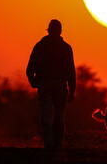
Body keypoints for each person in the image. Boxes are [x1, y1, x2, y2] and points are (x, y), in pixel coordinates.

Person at [26, 19, 76, 149]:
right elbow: (71, 72)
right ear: (60, 31)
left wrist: (34, 82)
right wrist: (72, 91)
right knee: (59, 116)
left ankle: (49, 144)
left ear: (48, 30)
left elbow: (30, 69)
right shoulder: (66, 48)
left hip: (45, 85)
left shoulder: (40, 46)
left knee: (46, 115)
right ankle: (57, 145)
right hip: (59, 85)